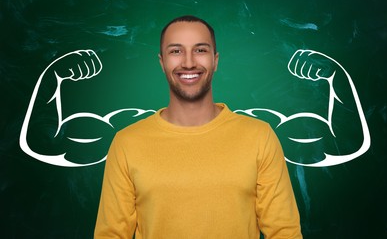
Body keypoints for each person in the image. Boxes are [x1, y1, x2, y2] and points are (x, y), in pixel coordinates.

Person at [94, 15, 302, 238]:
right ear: (161, 62)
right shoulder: (127, 143)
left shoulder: (260, 136)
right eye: (176, 51)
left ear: (216, 60)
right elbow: (111, 234)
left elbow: (284, 232)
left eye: (200, 50)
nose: (189, 62)